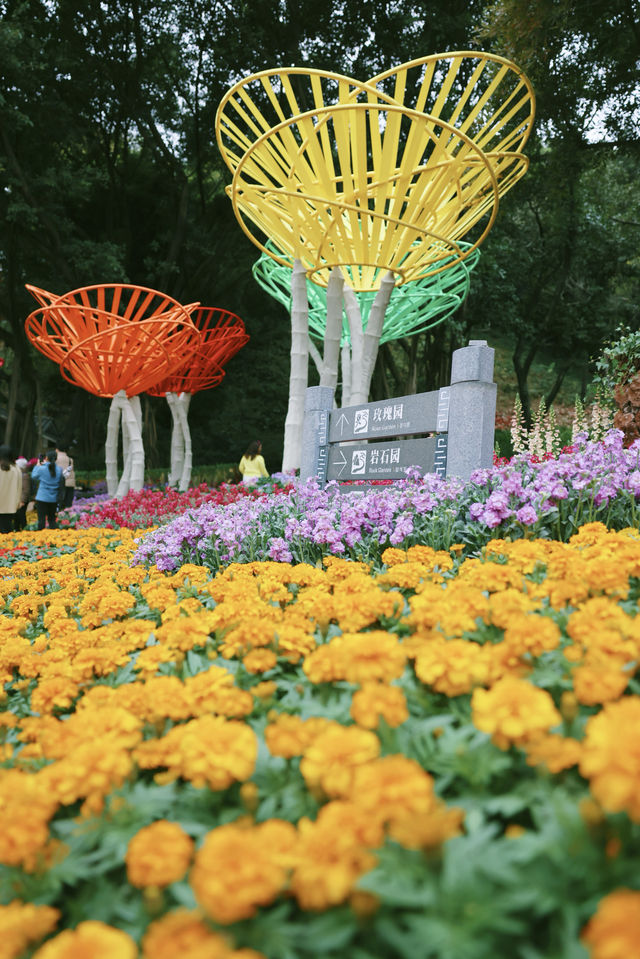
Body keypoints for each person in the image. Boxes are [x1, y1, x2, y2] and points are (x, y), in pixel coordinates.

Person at [31, 449, 63, 530]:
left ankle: (41, 538)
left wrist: (37, 465)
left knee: (41, 521)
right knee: (52, 520)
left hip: (42, 498)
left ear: (46, 458)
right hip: (53, 499)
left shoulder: (42, 468)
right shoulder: (59, 469)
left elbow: (33, 476)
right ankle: (53, 538)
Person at [0, 445, 22, 533]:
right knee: (7, 529)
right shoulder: (16, 469)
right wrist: (17, 503)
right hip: (10, 505)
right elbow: (19, 488)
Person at [13, 457, 32, 531]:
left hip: (21, 500)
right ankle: (16, 530)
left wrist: (22, 501)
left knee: (21, 516)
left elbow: (26, 490)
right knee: (16, 517)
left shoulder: (24, 476)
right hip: (18, 499)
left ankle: (25, 530)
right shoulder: (19, 474)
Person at [55, 445, 76, 510]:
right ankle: (67, 518)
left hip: (59, 484)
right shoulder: (70, 459)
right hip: (70, 484)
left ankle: (59, 518)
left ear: (57, 450)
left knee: (59, 504)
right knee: (68, 505)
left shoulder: (55, 458)